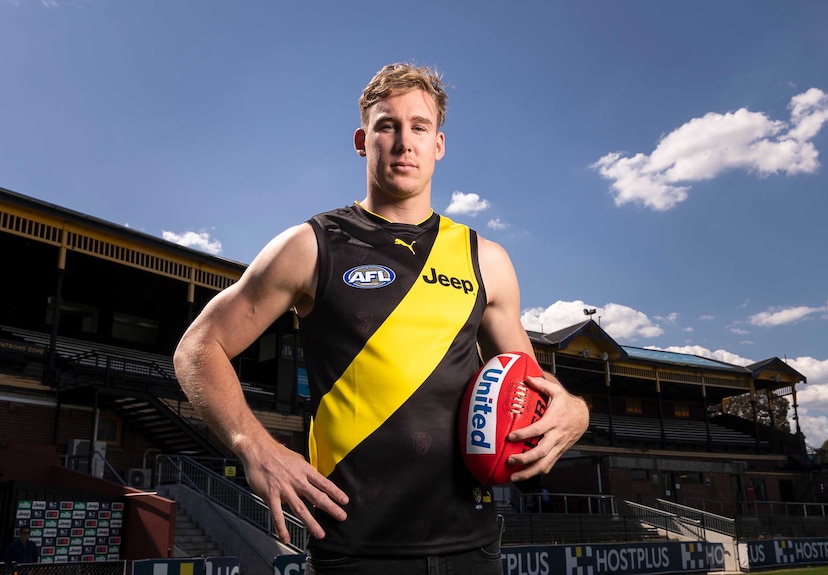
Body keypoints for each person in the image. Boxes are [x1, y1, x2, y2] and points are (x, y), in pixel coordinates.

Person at [173, 62, 590, 574]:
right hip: (353, 549)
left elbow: (527, 384)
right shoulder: (311, 245)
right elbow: (198, 348)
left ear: (439, 144)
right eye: (386, 125)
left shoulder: (487, 260)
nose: (403, 142)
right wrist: (254, 447)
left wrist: (575, 408)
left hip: (473, 549)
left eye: (419, 127)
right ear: (361, 139)